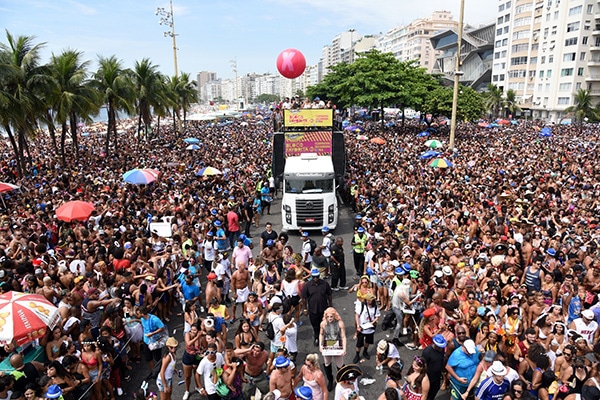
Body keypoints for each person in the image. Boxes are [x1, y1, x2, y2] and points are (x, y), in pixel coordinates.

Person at [302, 268, 332, 347]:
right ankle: (317, 337)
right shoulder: (307, 285)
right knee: (315, 325)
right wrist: (305, 308)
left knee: (325, 324)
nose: (315, 279)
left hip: (324, 309)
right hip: (313, 310)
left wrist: (331, 305)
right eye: (314, 277)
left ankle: (325, 337)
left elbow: (329, 294)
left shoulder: (324, 284)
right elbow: (304, 298)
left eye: (317, 277)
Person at [319, 307, 347, 392]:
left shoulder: (340, 323)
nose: (330, 318)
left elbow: (343, 336)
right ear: (325, 317)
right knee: (327, 363)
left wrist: (344, 348)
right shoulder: (323, 324)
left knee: (340, 364)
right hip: (327, 344)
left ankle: (340, 380)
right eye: (328, 317)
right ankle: (330, 381)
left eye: (331, 316)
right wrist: (320, 345)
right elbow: (321, 334)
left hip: (337, 343)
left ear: (334, 316)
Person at [353, 297, 380, 364]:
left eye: (370, 300)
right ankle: (357, 355)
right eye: (367, 300)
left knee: (368, 341)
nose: (368, 301)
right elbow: (357, 315)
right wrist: (358, 325)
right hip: (362, 328)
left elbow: (377, 317)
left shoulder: (375, 308)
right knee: (359, 343)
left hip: (370, 328)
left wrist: (372, 322)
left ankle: (365, 351)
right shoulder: (362, 306)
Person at [139, 305, 166, 370]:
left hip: (155, 341)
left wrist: (152, 333)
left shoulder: (155, 319)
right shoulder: (142, 319)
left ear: (142, 314)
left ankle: (161, 370)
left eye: (138, 313)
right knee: (148, 358)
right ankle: (153, 372)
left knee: (157, 358)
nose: (137, 314)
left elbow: (162, 328)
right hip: (146, 341)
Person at [422, 334, 447, 400]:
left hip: (437, 376)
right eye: (439, 347)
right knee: (426, 394)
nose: (440, 348)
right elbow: (424, 365)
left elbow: (441, 360)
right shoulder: (427, 352)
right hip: (428, 377)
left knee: (435, 390)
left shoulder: (442, 349)